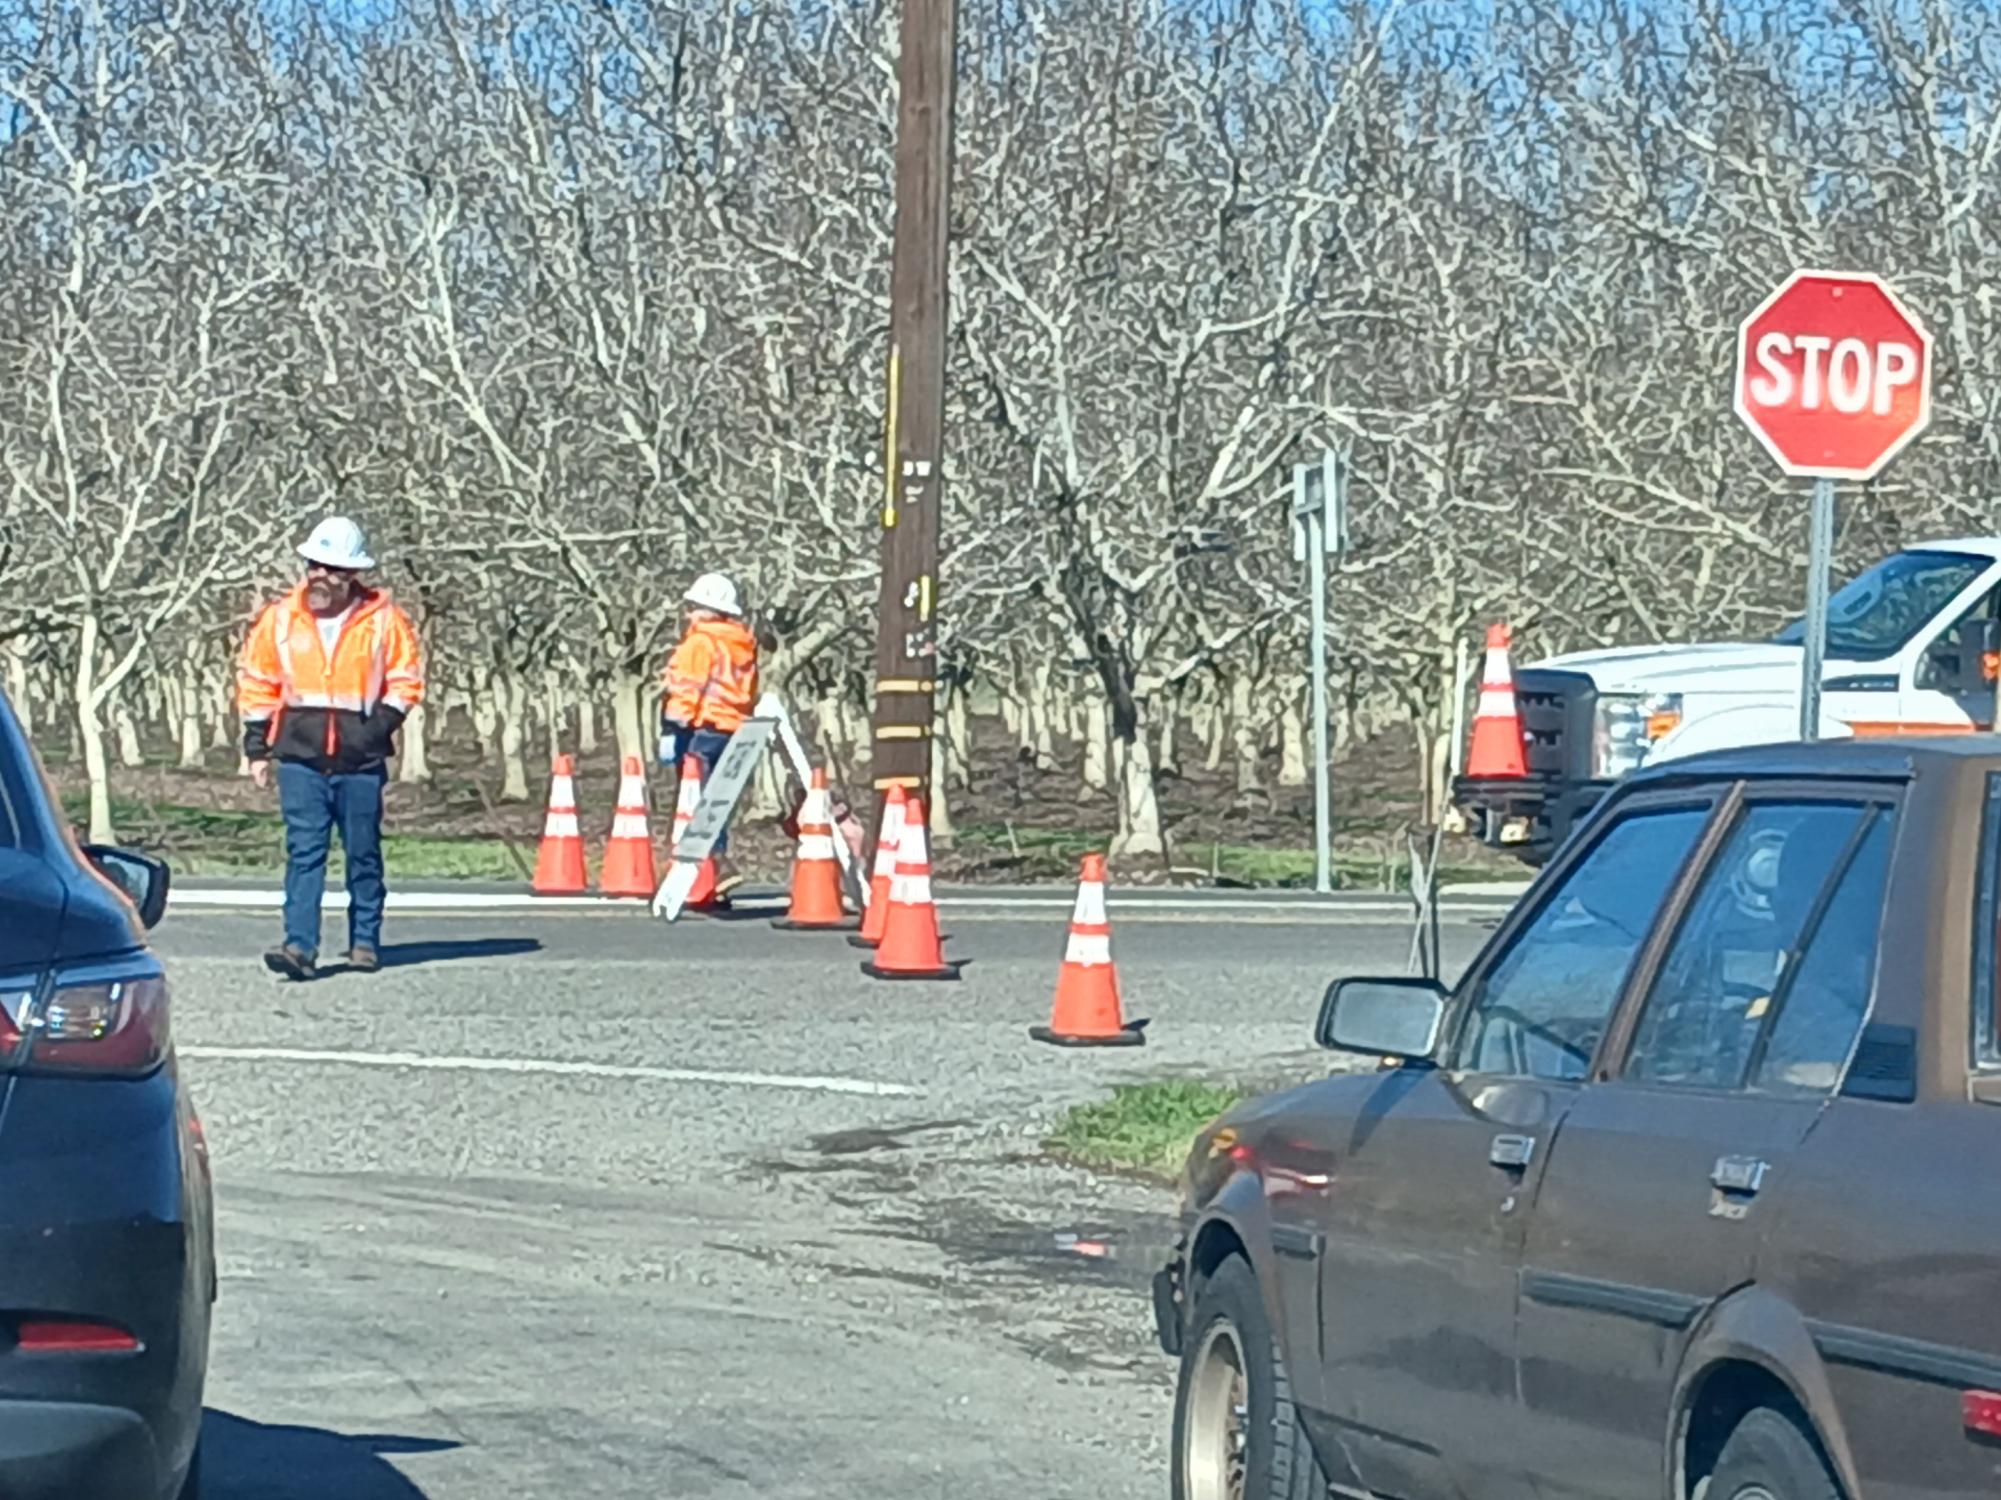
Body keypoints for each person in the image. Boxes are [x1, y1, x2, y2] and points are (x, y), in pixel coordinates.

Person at [238, 517, 425, 980]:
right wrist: (257, 749)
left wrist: (379, 726)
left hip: (360, 760)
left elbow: (405, 679)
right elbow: (258, 682)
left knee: (362, 851)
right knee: (305, 851)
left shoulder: (384, 621)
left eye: (333, 568)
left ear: (352, 574)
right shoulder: (279, 620)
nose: (320, 575)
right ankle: (299, 947)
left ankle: (364, 941)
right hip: (300, 758)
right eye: (314, 565)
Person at [659, 571, 760, 885]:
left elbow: (688, 690)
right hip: (736, 729)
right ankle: (715, 871)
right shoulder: (742, 643)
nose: (688, 614)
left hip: (704, 728)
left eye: (693, 606)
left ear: (705, 609)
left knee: (697, 799)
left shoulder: (700, 642)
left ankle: (711, 866)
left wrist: (673, 728)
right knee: (719, 799)